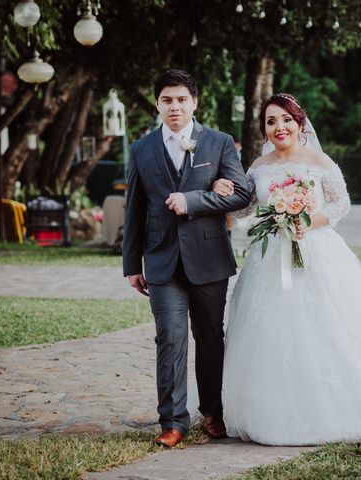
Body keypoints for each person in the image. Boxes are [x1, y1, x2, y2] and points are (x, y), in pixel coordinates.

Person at [212, 93, 361, 446]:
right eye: (270, 121)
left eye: (285, 119)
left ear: (300, 123)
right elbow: (243, 209)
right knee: (269, 330)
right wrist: (222, 189)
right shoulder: (257, 167)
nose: (278, 127)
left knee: (330, 324)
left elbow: (342, 203)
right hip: (269, 261)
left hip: (318, 252)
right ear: (264, 130)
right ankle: (273, 408)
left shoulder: (319, 160)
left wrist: (307, 221)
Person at [122, 69, 250, 448]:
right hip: (161, 261)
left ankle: (213, 412)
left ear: (195, 102)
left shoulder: (219, 142)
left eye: (181, 99)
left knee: (210, 338)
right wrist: (132, 266)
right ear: (157, 104)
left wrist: (193, 200)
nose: (174, 106)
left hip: (209, 257)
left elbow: (241, 194)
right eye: (166, 100)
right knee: (169, 339)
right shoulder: (141, 149)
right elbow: (134, 210)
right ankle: (173, 421)